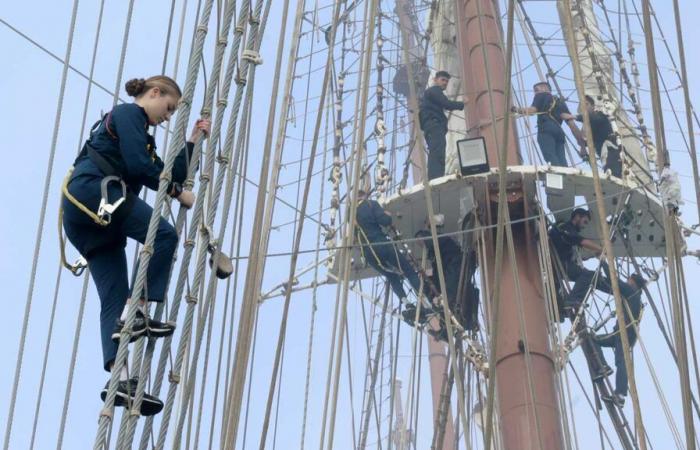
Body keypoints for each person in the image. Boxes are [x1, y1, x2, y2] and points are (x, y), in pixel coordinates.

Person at [61, 76, 211, 415]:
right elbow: (139, 167)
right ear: (154, 93)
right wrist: (175, 193)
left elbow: (166, 172)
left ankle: (120, 380)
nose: (168, 116)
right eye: (169, 107)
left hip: (92, 220)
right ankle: (140, 309)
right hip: (94, 191)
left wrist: (193, 141)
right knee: (165, 236)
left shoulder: (143, 139)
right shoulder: (129, 115)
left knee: (114, 296)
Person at [355, 190, 432, 324]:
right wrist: (387, 215)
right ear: (364, 196)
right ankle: (427, 303)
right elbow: (384, 221)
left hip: (369, 256)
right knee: (408, 270)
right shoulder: (370, 204)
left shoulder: (352, 217)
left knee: (391, 276)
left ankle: (407, 303)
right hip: (382, 245)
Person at [594, 273, 645, 407]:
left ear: (633, 282)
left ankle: (620, 394)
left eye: (629, 280)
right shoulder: (634, 297)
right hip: (620, 334)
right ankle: (603, 366)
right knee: (593, 340)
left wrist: (604, 262)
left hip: (624, 333)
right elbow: (613, 286)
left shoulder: (632, 292)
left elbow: (615, 281)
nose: (627, 281)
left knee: (621, 361)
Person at [415, 229, 479, 332]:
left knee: (447, 299)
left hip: (456, 266)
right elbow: (438, 276)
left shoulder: (439, 242)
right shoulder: (434, 256)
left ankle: (447, 329)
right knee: (442, 300)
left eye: (421, 242)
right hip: (451, 270)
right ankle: (446, 329)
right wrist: (426, 282)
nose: (422, 246)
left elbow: (444, 269)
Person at [548, 208, 612, 311]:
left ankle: (563, 309)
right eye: (584, 221)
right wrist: (602, 249)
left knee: (589, 276)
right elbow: (581, 241)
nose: (584, 226)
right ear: (577, 217)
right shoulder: (566, 227)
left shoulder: (566, 229)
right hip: (560, 263)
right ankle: (573, 299)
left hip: (560, 265)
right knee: (589, 275)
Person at [513, 81, 585, 167]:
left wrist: (516, 109)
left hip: (546, 129)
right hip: (559, 132)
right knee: (562, 161)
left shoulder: (541, 95)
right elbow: (572, 125)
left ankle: (557, 177)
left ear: (545, 88)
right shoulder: (560, 102)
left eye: (536, 90)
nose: (535, 93)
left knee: (550, 157)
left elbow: (532, 111)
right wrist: (582, 146)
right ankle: (564, 177)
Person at [419, 71, 465, 180]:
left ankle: (436, 177)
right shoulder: (433, 91)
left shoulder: (432, 93)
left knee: (438, 151)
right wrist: (463, 104)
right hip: (434, 125)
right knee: (437, 152)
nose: (445, 83)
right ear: (435, 80)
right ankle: (435, 178)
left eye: (447, 81)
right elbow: (447, 104)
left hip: (433, 126)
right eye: (443, 80)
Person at [576, 95, 623, 177]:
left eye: (586, 104)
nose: (584, 108)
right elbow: (585, 140)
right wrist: (582, 148)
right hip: (603, 154)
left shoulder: (600, 115)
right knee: (609, 173)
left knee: (613, 174)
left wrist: (575, 117)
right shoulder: (586, 127)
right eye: (582, 107)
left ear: (593, 106)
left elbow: (595, 119)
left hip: (611, 151)